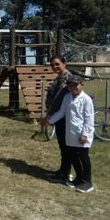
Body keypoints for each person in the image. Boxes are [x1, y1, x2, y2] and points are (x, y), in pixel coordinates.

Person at [48, 75, 95, 193]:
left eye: (75, 84)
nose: (72, 87)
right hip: (70, 133)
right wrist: (50, 120)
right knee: (73, 157)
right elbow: (62, 112)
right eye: (70, 85)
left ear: (81, 85)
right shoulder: (67, 97)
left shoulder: (86, 99)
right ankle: (78, 178)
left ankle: (87, 181)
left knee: (83, 157)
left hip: (82, 134)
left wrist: (85, 134)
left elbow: (89, 119)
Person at [44, 55, 73, 183]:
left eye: (57, 64)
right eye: (52, 65)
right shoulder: (60, 77)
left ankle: (65, 173)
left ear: (64, 63)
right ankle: (63, 170)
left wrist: (50, 115)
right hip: (58, 116)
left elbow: (58, 98)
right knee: (62, 145)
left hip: (62, 116)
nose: (54, 67)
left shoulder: (66, 77)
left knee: (65, 146)